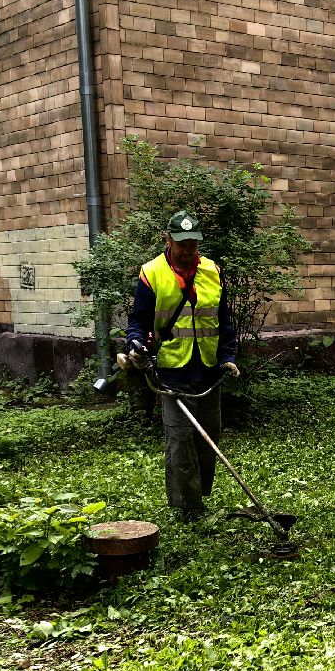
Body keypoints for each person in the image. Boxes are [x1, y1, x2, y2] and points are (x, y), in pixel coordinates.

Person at [125, 210, 239, 522]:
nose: (187, 250)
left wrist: (228, 357)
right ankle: (188, 507)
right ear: (167, 240)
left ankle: (197, 495)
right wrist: (136, 345)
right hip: (171, 371)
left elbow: (223, 321)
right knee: (180, 441)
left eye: (192, 244)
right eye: (181, 244)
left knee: (208, 438)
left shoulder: (213, 271)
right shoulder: (152, 273)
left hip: (208, 369)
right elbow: (139, 323)